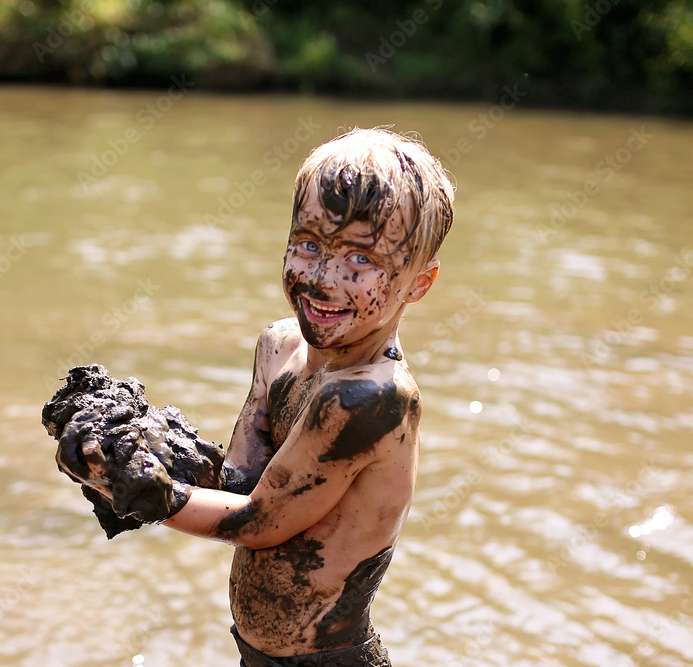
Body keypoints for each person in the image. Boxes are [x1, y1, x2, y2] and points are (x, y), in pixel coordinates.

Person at [72, 127, 454, 666]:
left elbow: (260, 522)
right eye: (308, 244)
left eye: (361, 260)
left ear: (419, 283)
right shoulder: (278, 346)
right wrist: (138, 442)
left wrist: (130, 485)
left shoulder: (372, 398)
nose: (322, 279)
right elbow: (240, 481)